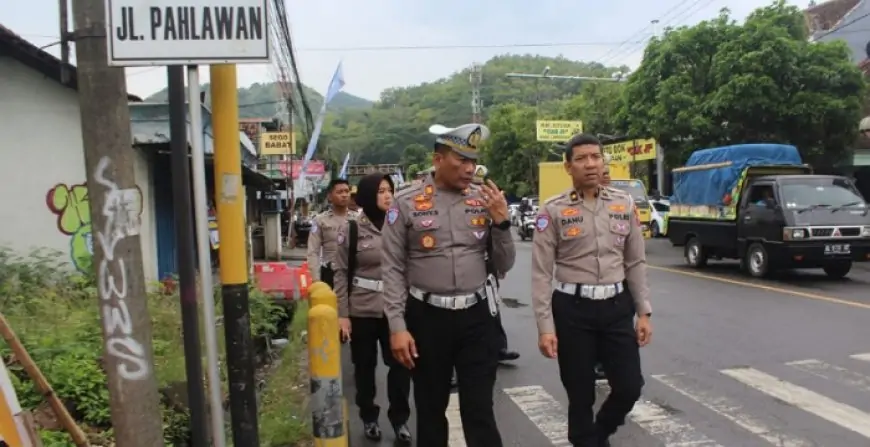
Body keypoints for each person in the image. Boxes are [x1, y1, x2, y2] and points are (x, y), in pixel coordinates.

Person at [382, 123, 516, 447]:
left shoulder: (484, 199)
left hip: (477, 317)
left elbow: (504, 264)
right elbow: (392, 267)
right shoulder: (406, 202)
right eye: (461, 160)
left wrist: (501, 223)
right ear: (438, 159)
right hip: (427, 318)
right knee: (430, 409)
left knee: (480, 408)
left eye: (474, 161)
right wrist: (397, 326)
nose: (470, 169)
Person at [531, 133, 652, 447]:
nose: (590, 164)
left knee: (629, 386)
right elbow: (541, 273)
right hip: (573, 309)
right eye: (582, 159)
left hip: (616, 306)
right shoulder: (552, 210)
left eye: (595, 157)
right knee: (580, 391)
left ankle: (597, 435)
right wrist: (545, 328)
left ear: (603, 162)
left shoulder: (622, 204)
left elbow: (635, 262)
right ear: (568, 166)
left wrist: (644, 312)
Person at [333, 173, 412, 444]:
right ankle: (369, 417)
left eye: (390, 190)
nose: (388, 195)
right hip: (363, 308)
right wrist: (343, 314)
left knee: (401, 366)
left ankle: (400, 419)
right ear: (368, 195)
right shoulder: (352, 229)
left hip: (396, 310)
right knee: (364, 367)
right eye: (381, 191)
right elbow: (341, 273)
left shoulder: (402, 225)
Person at [307, 179, 354, 288]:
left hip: (353, 273)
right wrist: (316, 280)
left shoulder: (357, 219)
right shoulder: (320, 220)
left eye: (347, 191)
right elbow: (313, 251)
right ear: (329, 196)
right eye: (339, 192)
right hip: (330, 273)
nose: (344, 195)